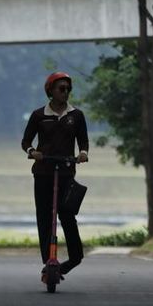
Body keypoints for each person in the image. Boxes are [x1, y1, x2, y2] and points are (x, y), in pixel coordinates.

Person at [21, 71, 89, 281]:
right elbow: (26, 141)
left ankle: (75, 258)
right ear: (50, 91)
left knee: (67, 215)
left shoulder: (76, 115)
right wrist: (33, 152)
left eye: (68, 89)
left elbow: (83, 141)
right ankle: (48, 261)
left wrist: (83, 153)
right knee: (44, 216)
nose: (65, 92)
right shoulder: (39, 115)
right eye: (61, 89)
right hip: (43, 172)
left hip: (66, 171)